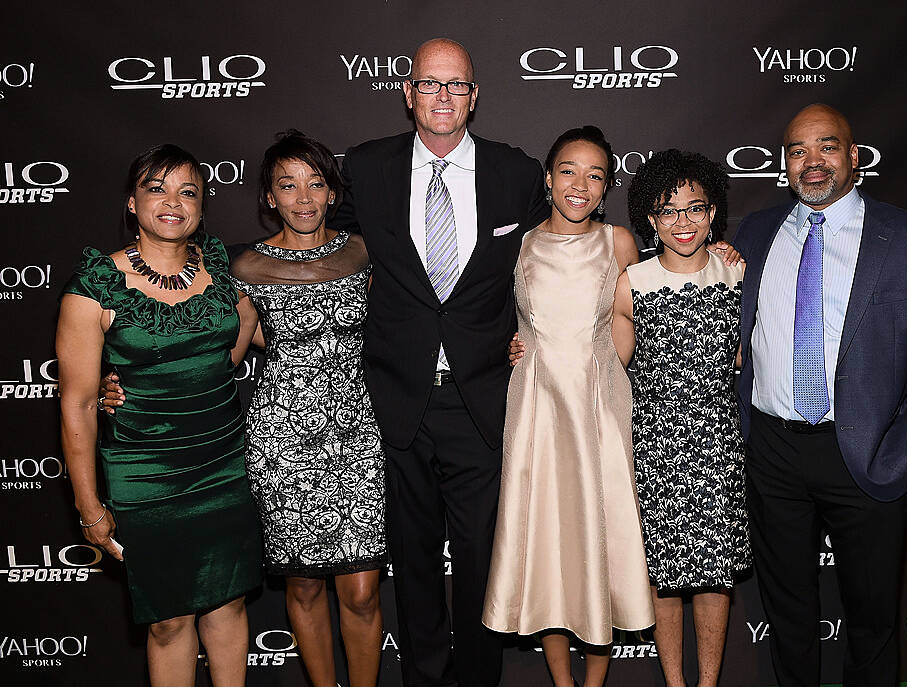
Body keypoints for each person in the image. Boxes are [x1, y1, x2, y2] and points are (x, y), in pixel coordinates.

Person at [330, 38, 548, 687]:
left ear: (475, 97)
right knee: (413, 561)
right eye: (430, 84)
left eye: (456, 85)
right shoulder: (367, 169)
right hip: (397, 399)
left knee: (484, 559)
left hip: (483, 398)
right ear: (407, 93)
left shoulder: (516, 172)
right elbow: (317, 247)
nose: (444, 97)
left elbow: (570, 246)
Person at [732, 104, 907, 686]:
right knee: (787, 616)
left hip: (868, 451)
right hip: (772, 451)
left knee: (870, 619)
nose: (812, 163)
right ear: (784, 163)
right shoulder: (755, 233)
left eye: (827, 146)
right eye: (797, 151)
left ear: (854, 157)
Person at [57, 144, 263, 687]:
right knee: (169, 621)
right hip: (145, 474)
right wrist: (88, 507)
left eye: (187, 191)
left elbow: (241, 335)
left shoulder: (221, 270)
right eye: (157, 188)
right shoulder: (94, 289)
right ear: (132, 202)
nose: (173, 202)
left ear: (201, 206)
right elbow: (77, 404)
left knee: (228, 606)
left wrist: (193, 378)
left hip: (223, 463)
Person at [483, 126, 654, 687]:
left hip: (597, 411)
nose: (581, 185)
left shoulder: (619, 242)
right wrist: (517, 343)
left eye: (596, 175)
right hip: (534, 411)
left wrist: (720, 251)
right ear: (550, 178)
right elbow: (501, 318)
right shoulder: (522, 244)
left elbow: (634, 318)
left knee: (596, 542)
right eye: (568, 171)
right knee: (547, 547)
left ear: (605, 189)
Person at [227, 130, 387, 687]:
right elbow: (224, 350)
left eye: (315, 183)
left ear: (332, 193)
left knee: (362, 590)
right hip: (282, 437)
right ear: (270, 196)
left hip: (359, 432)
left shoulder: (364, 250)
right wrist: (129, 378)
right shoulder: (245, 266)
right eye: (288, 185)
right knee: (302, 584)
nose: (303, 197)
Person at [613, 149, 750, 687]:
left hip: (717, 444)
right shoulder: (633, 282)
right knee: (663, 578)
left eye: (695, 209)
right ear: (650, 219)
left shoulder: (737, 274)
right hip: (654, 449)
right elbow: (608, 363)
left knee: (714, 576)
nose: (683, 222)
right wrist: (527, 343)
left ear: (713, 212)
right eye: (668, 211)